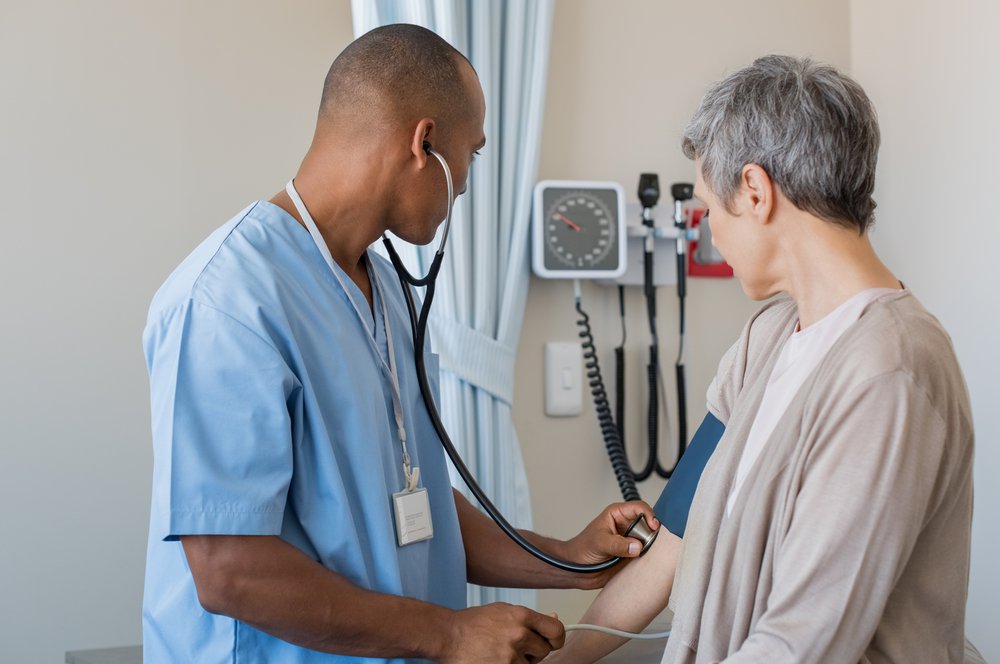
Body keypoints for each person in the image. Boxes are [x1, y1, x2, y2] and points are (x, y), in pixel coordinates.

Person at [142, 24, 658, 663]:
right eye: (470, 154)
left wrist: (568, 557)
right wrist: (451, 633)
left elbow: (412, 504)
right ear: (425, 143)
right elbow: (229, 569)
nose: (465, 185)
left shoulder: (384, 286)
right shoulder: (228, 301)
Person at [548, 55, 974, 663]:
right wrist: (562, 659)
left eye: (709, 208)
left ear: (754, 190)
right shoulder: (766, 340)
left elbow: (801, 643)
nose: (711, 233)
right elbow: (675, 540)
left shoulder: (890, 370)